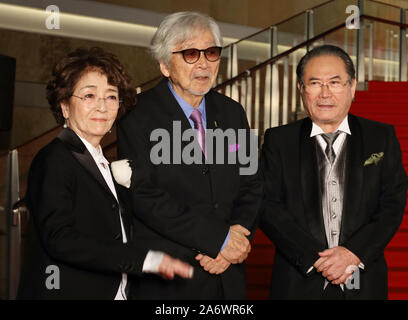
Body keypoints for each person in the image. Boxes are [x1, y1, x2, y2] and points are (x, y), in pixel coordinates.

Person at [17, 47, 193, 300]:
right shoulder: (55, 159)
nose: (102, 106)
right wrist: (144, 260)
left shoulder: (102, 162)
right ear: (64, 106)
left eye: (111, 97)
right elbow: (60, 238)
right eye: (89, 95)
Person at [116, 12, 262, 299]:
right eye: (191, 54)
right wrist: (217, 240)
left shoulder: (233, 112)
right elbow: (145, 196)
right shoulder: (137, 115)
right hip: (170, 279)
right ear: (164, 66)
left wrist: (233, 240)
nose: (204, 64)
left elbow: (252, 184)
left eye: (211, 53)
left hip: (227, 278)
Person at [260, 44, 408, 300]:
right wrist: (317, 260)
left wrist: (353, 252)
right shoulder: (279, 140)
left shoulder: (381, 137)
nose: (325, 93)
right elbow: (268, 205)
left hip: (364, 279)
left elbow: (392, 203)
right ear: (301, 89)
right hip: (298, 282)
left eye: (335, 83)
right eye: (315, 83)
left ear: (352, 88)